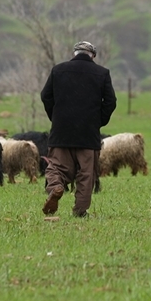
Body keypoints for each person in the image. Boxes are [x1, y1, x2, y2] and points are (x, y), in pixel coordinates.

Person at [39, 41, 117, 217]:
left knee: (56, 167)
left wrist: (56, 118)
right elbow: (111, 101)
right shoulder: (102, 73)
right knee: (86, 173)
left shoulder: (58, 70)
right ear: (93, 55)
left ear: (74, 53)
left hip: (61, 132)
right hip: (88, 134)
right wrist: (98, 121)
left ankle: (56, 186)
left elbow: (45, 96)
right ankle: (80, 211)